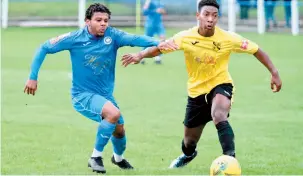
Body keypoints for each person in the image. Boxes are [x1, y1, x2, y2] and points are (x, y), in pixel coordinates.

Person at [121, 0, 282, 169]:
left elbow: (256, 49)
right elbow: (160, 48)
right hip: (196, 92)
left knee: (219, 114)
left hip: (221, 85)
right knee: (189, 142)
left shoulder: (228, 38)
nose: (210, 19)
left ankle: (230, 160)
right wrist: (140, 55)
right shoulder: (185, 37)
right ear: (198, 16)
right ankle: (188, 154)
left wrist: (274, 72)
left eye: (214, 16)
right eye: (206, 15)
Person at [23, 3, 177, 174]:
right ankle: (95, 157)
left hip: (105, 95)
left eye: (106, 20)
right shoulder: (75, 38)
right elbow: (44, 47)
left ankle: (118, 158)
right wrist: (32, 77)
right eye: (98, 20)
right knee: (113, 114)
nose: (103, 23)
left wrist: (159, 43)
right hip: (82, 95)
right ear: (87, 21)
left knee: (119, 130)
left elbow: (134, 39)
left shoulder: (113, 35)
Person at [141, 0, 166, 64]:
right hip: (150, 24)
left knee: (162, 39)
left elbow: (162, 11)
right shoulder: (148, 1)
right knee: (147, 41)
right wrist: (155, 11)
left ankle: (158, 57)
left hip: (159, 24)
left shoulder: (161, 1)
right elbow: (144, 12)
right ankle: (142, 56)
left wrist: (162, 11)